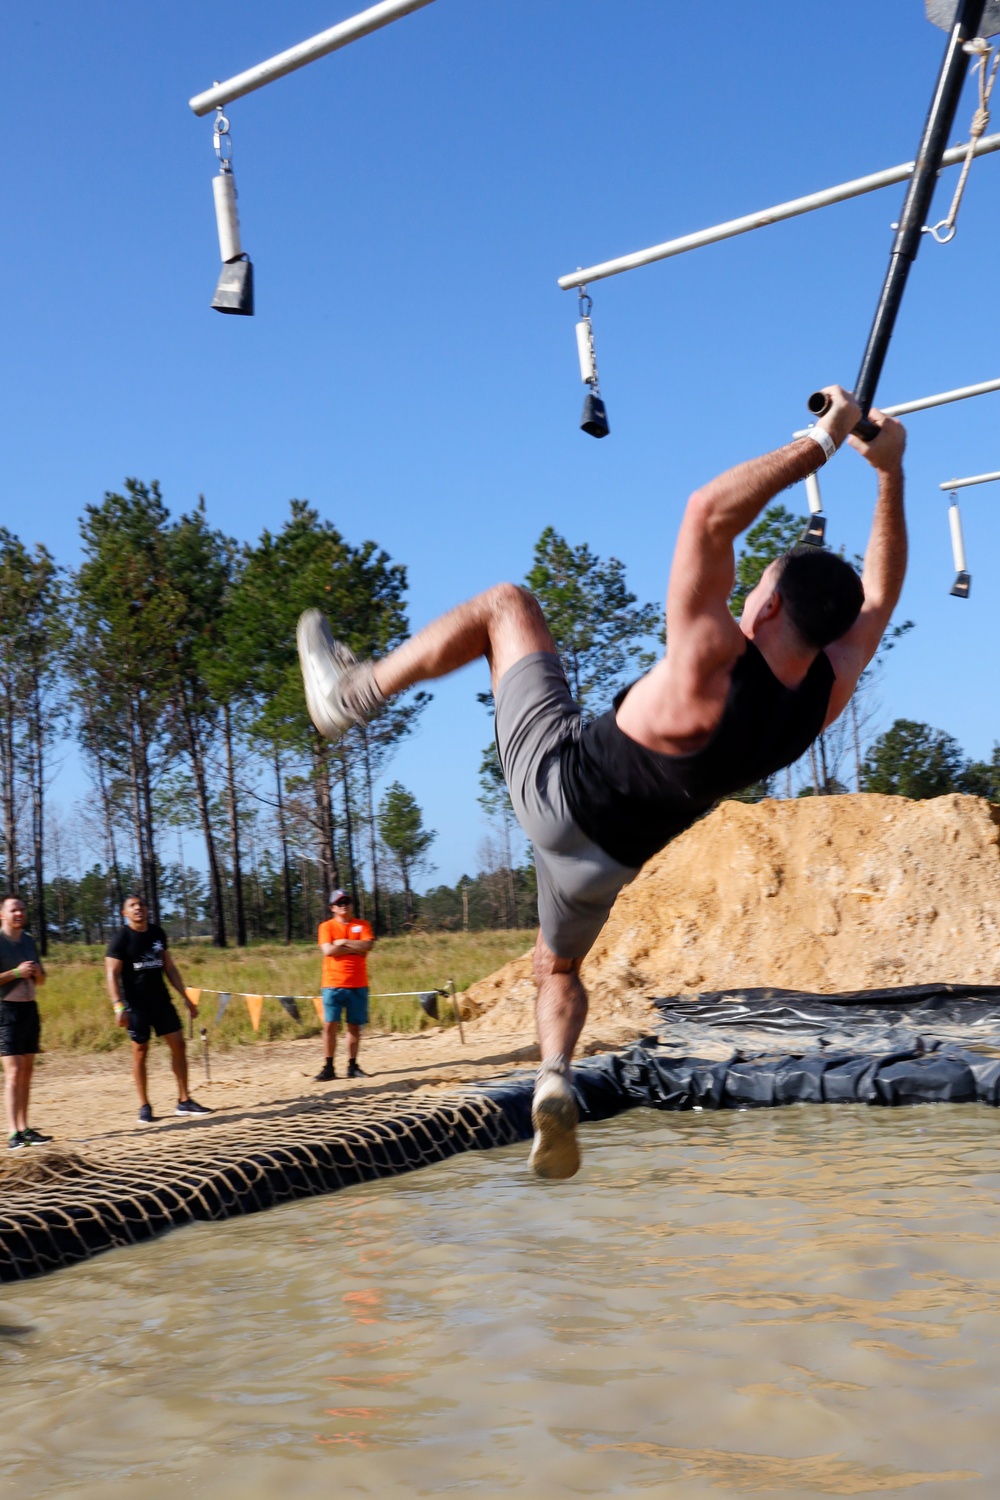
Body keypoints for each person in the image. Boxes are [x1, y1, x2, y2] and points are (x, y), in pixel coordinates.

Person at [297, 386, 907, 1178]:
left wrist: (823, 444)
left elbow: (706, 512)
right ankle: (555, 1076)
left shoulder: (712, 657)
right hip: (610, 865)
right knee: (558, 968)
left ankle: (353, 693)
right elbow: (881, 597)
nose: (746, 591)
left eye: (757, 583)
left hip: (560, 792)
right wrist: (889, 476)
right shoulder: (820, 700)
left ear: (766, 607)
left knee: (506, 604)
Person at [105, 895, 212, 1124]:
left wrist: (186, 997)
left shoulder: (157, 933)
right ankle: (144, 1105)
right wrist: (118, 1006)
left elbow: (169, 967)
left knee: (179, 1045)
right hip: (135, 1005)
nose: (138, 909)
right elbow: (111, 975)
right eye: (132, 906)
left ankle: (184, 1101)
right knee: (140, 1051)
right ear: (124, 913)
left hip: (161, 1001)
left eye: (142, 905)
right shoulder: (120, 939)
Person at [0, 895, 51, 1150]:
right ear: (2, 915)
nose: (19, 913)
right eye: (13, 910)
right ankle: (12, 1134)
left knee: (27, 1072)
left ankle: (25, 1127)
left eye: (22, 909)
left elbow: (41, 981)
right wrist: (17, 973)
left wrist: (38, 974)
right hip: (5, 1012)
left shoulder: (29, 941)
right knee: (14, 1072)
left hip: (30, 1010)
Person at [315, 889, 375, 1082]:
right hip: (332, 984)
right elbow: (328, 950)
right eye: (339, 903)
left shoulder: (362, 924)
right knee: (330, 1026)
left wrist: (343, 942)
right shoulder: (326, 927)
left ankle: (352, 1065)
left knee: (354, 1027)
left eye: (347, 901)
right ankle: (329, 1066)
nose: (344, 905)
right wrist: (354, 947)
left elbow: (367, 946)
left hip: (358, 984)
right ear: (332, 908)